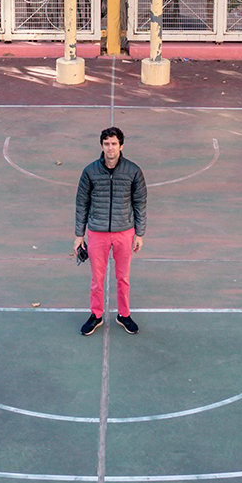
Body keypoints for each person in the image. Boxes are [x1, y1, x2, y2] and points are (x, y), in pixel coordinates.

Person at [74, 126, 147, 336]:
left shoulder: (133, 171)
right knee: (97, 279)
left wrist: (139, 233)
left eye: (114, 144)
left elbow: (140, 202)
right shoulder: (90, 171)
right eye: (107, 144)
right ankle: (96, 315)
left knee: (123, 277)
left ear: (121, 146)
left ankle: (124, 314)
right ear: (101, 146)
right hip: (97, 232)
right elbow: (82, 203)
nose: (110, 148)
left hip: (125, 232)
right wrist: (79, 235)